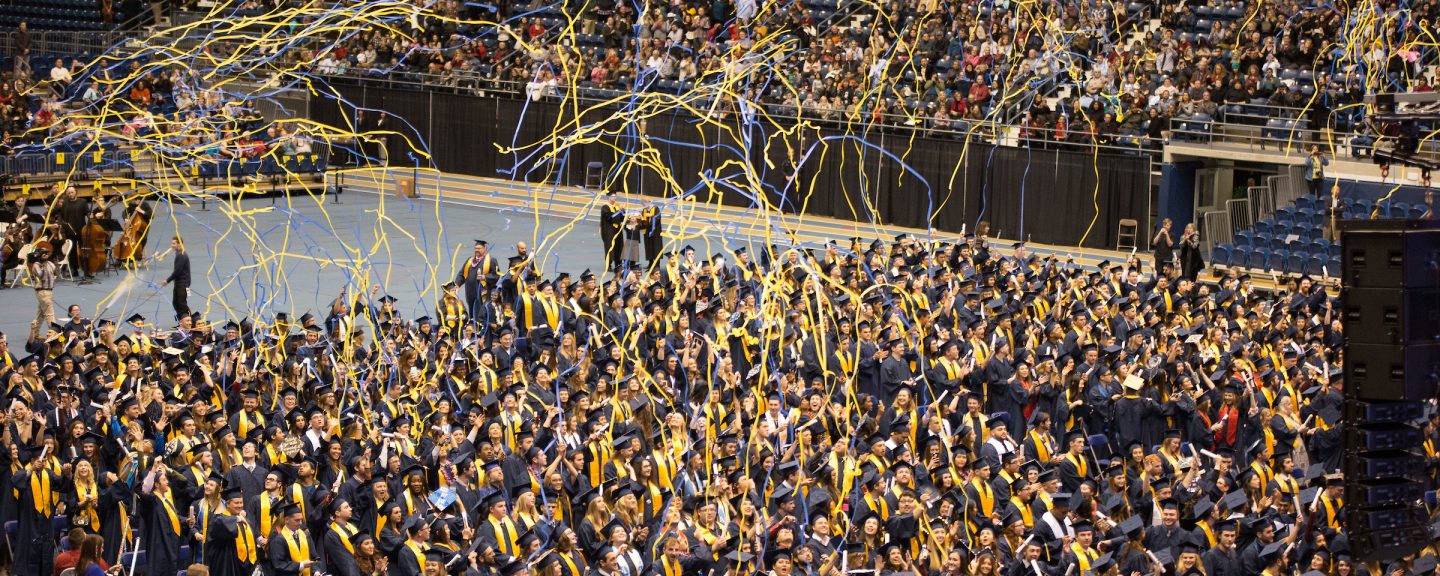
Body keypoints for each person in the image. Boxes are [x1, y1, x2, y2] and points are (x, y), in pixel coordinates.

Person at [160, 235, 191, 319]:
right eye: (172, 243)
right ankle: (183, 320)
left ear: (179, 244)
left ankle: (190, 320)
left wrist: (167, 280)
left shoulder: (181, 255)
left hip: (183, 284)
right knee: (176, 303)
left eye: (174, 243)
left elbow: (177, 271)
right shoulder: (179, 253)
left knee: (181, 304)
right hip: (179, 283)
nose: (172, 245)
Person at [29, 245, 56, 325]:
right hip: (42, 291)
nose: (46, 255)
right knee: (50, 314)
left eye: (47, 254)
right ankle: (54, 333)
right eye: (44, 254)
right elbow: (41, 275)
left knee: (41, 314)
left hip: (50, 291)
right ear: (40, 255)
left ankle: (34, 334)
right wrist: (43, 263)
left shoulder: (50, 263)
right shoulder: (36, 265)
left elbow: (56, 271)